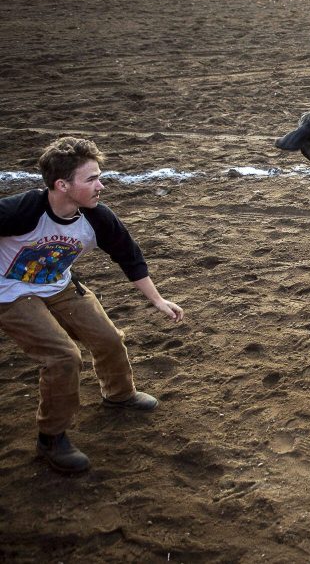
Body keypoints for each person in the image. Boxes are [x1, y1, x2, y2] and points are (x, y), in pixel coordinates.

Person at [0, 137, 184, 473]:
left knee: (109, 339)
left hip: (59, 285)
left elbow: (129, 257)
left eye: (99, 176)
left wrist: (157, 300)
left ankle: (119, 394)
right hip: (10, 293)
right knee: (64, 356)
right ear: (62, 185)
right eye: (91, 179)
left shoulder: (97, 218)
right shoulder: (22, 210)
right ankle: (51, 439)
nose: (101, 185)